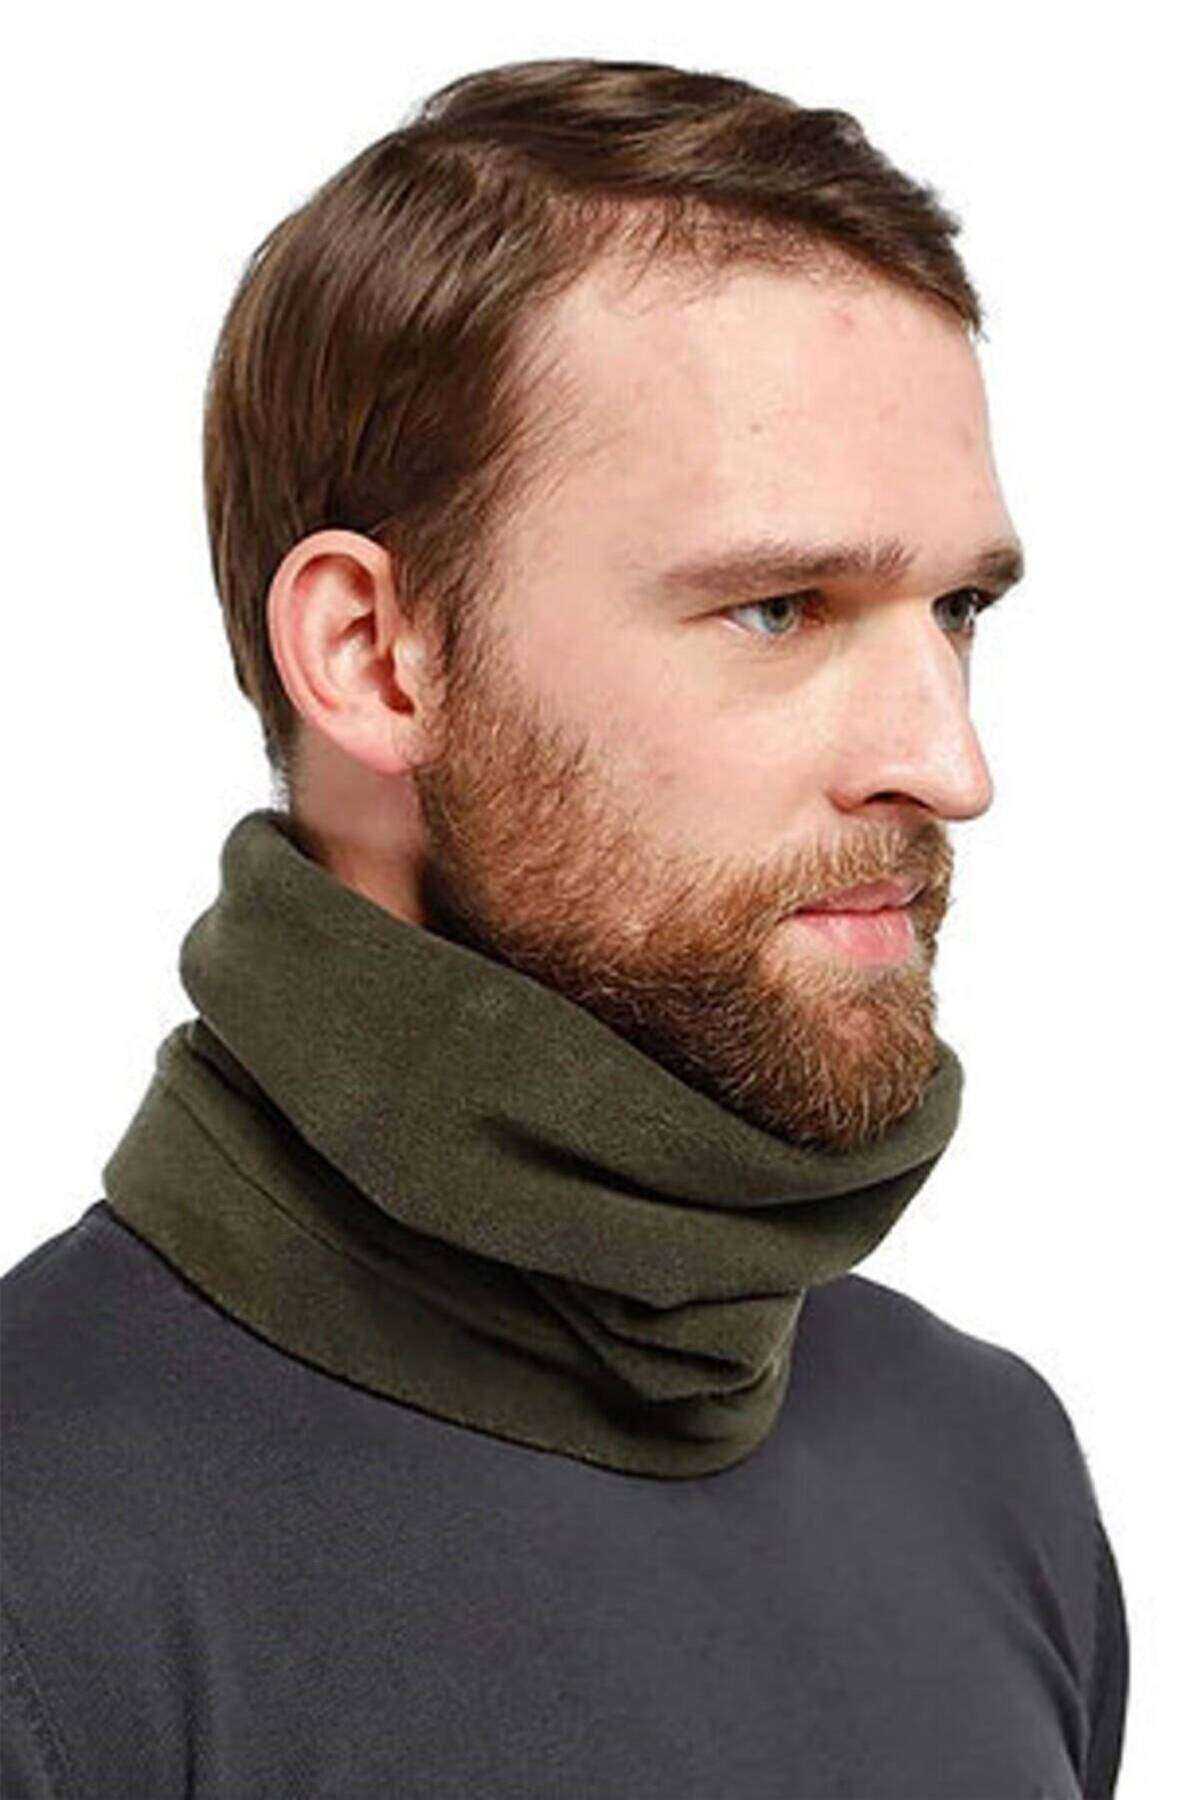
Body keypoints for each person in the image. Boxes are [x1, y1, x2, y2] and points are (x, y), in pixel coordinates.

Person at [1, 56, 1128, 1798]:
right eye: (780, 607)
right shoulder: (39, 1558)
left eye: (958, 607)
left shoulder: (992, 1470)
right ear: (375, 658)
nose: (951, 765)